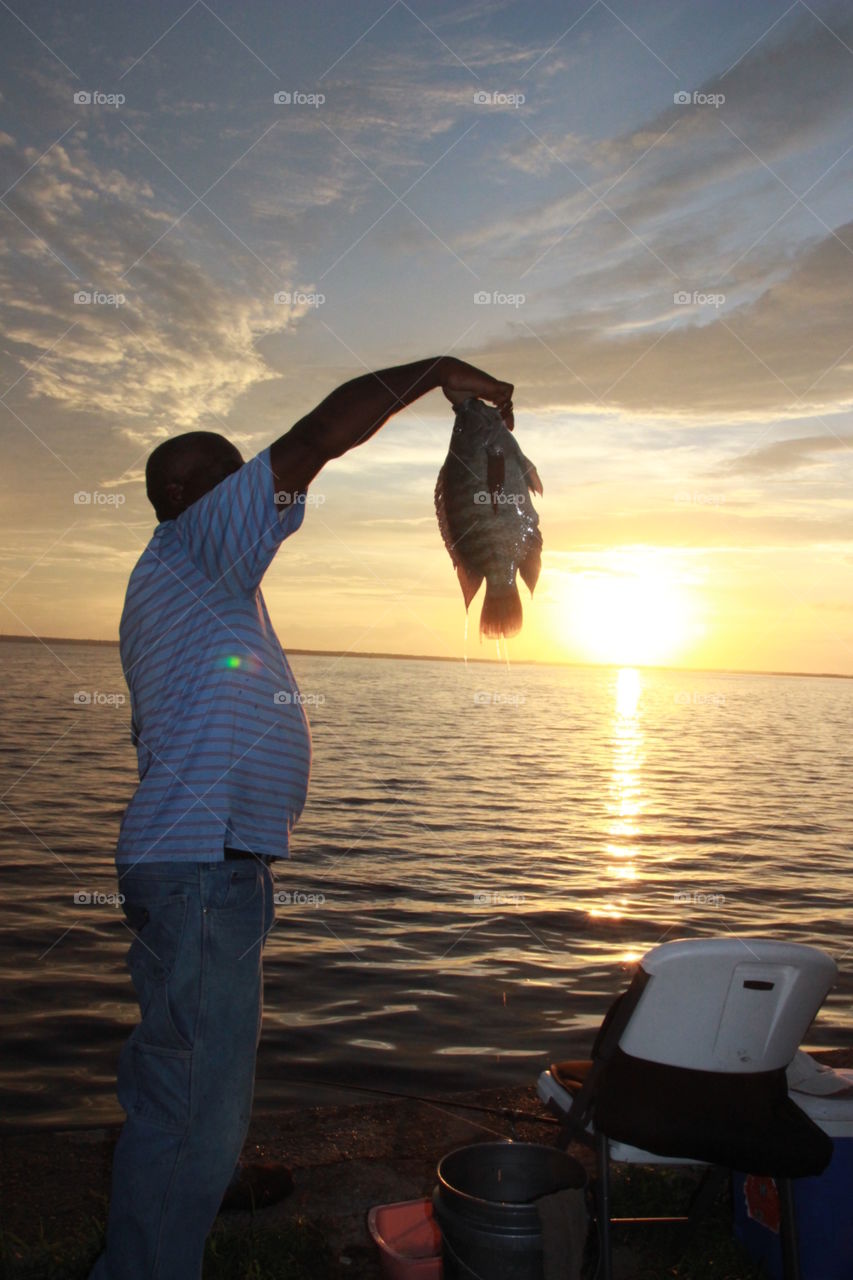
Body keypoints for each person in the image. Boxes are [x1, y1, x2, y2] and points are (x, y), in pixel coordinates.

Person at [89, 355, 514, 1280]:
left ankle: (158, 1235)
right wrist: (437, 370)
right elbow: (320, 436)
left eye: (234, 472)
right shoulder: (199, 545)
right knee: (194, 1109)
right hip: (202, 870)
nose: (240, 487)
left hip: (206, 868)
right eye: (216, 476)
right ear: (185, 498)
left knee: (182, 1087)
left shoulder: (204, 586)